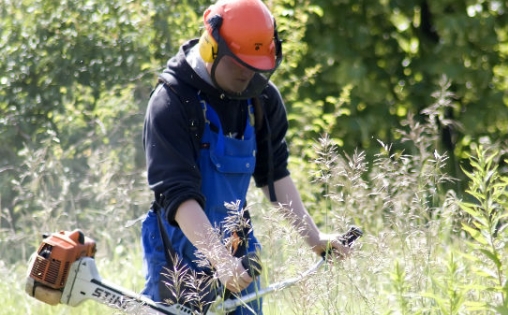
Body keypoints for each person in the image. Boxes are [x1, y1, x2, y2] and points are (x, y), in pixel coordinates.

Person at [140, 0, 351, 314]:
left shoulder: (262, 99)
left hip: (238, 247)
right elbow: (177, 195)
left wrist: (315, 238)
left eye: (255, 66)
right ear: (212, 49)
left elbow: (274, 175)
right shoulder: (172, 102)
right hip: (179, 249)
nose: (247, 75)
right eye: (238, 64)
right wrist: (217, 257)